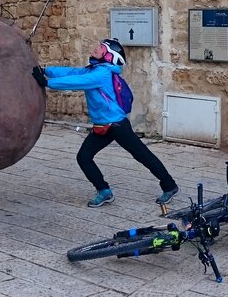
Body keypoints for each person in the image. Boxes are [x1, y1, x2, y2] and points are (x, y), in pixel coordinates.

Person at [32, 38, 179, 208]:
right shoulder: (94, 70)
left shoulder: (102, 74)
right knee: (84, 157)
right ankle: (104, 191)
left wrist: (48, 83)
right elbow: (73, 72)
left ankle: (169, 186)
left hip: (117, 126)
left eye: (100, 48)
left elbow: (78, 82)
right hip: (102, 127)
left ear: (109, 55)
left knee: (142, 155)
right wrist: (46, 71)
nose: (95, 48)